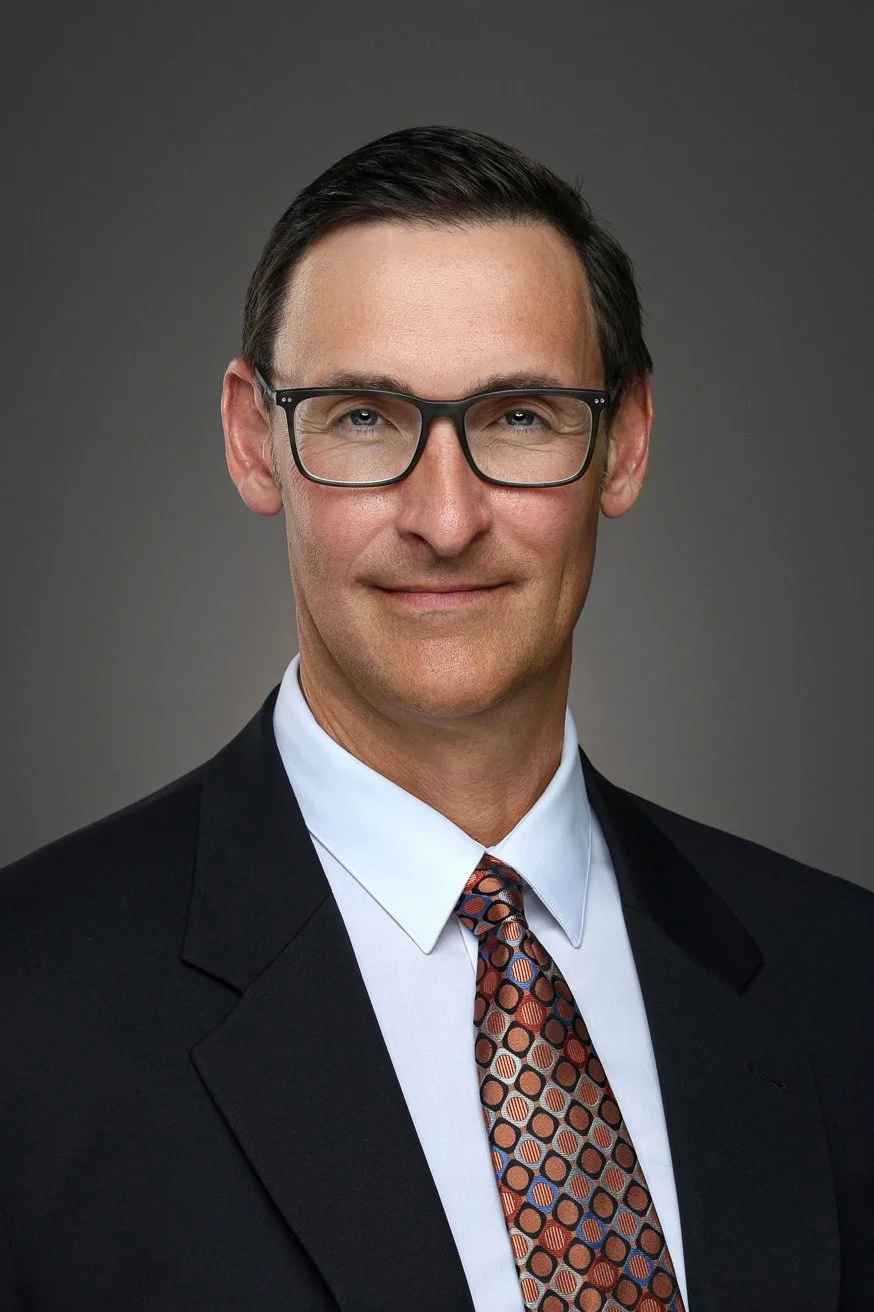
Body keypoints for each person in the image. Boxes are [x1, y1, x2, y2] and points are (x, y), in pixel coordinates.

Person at [0, 124, 871, 1312]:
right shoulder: (27, 1009)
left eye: (519, 416)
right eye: (363, 416)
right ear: (256, 442)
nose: (445, 518)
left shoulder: (846, 982)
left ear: (624, 444)